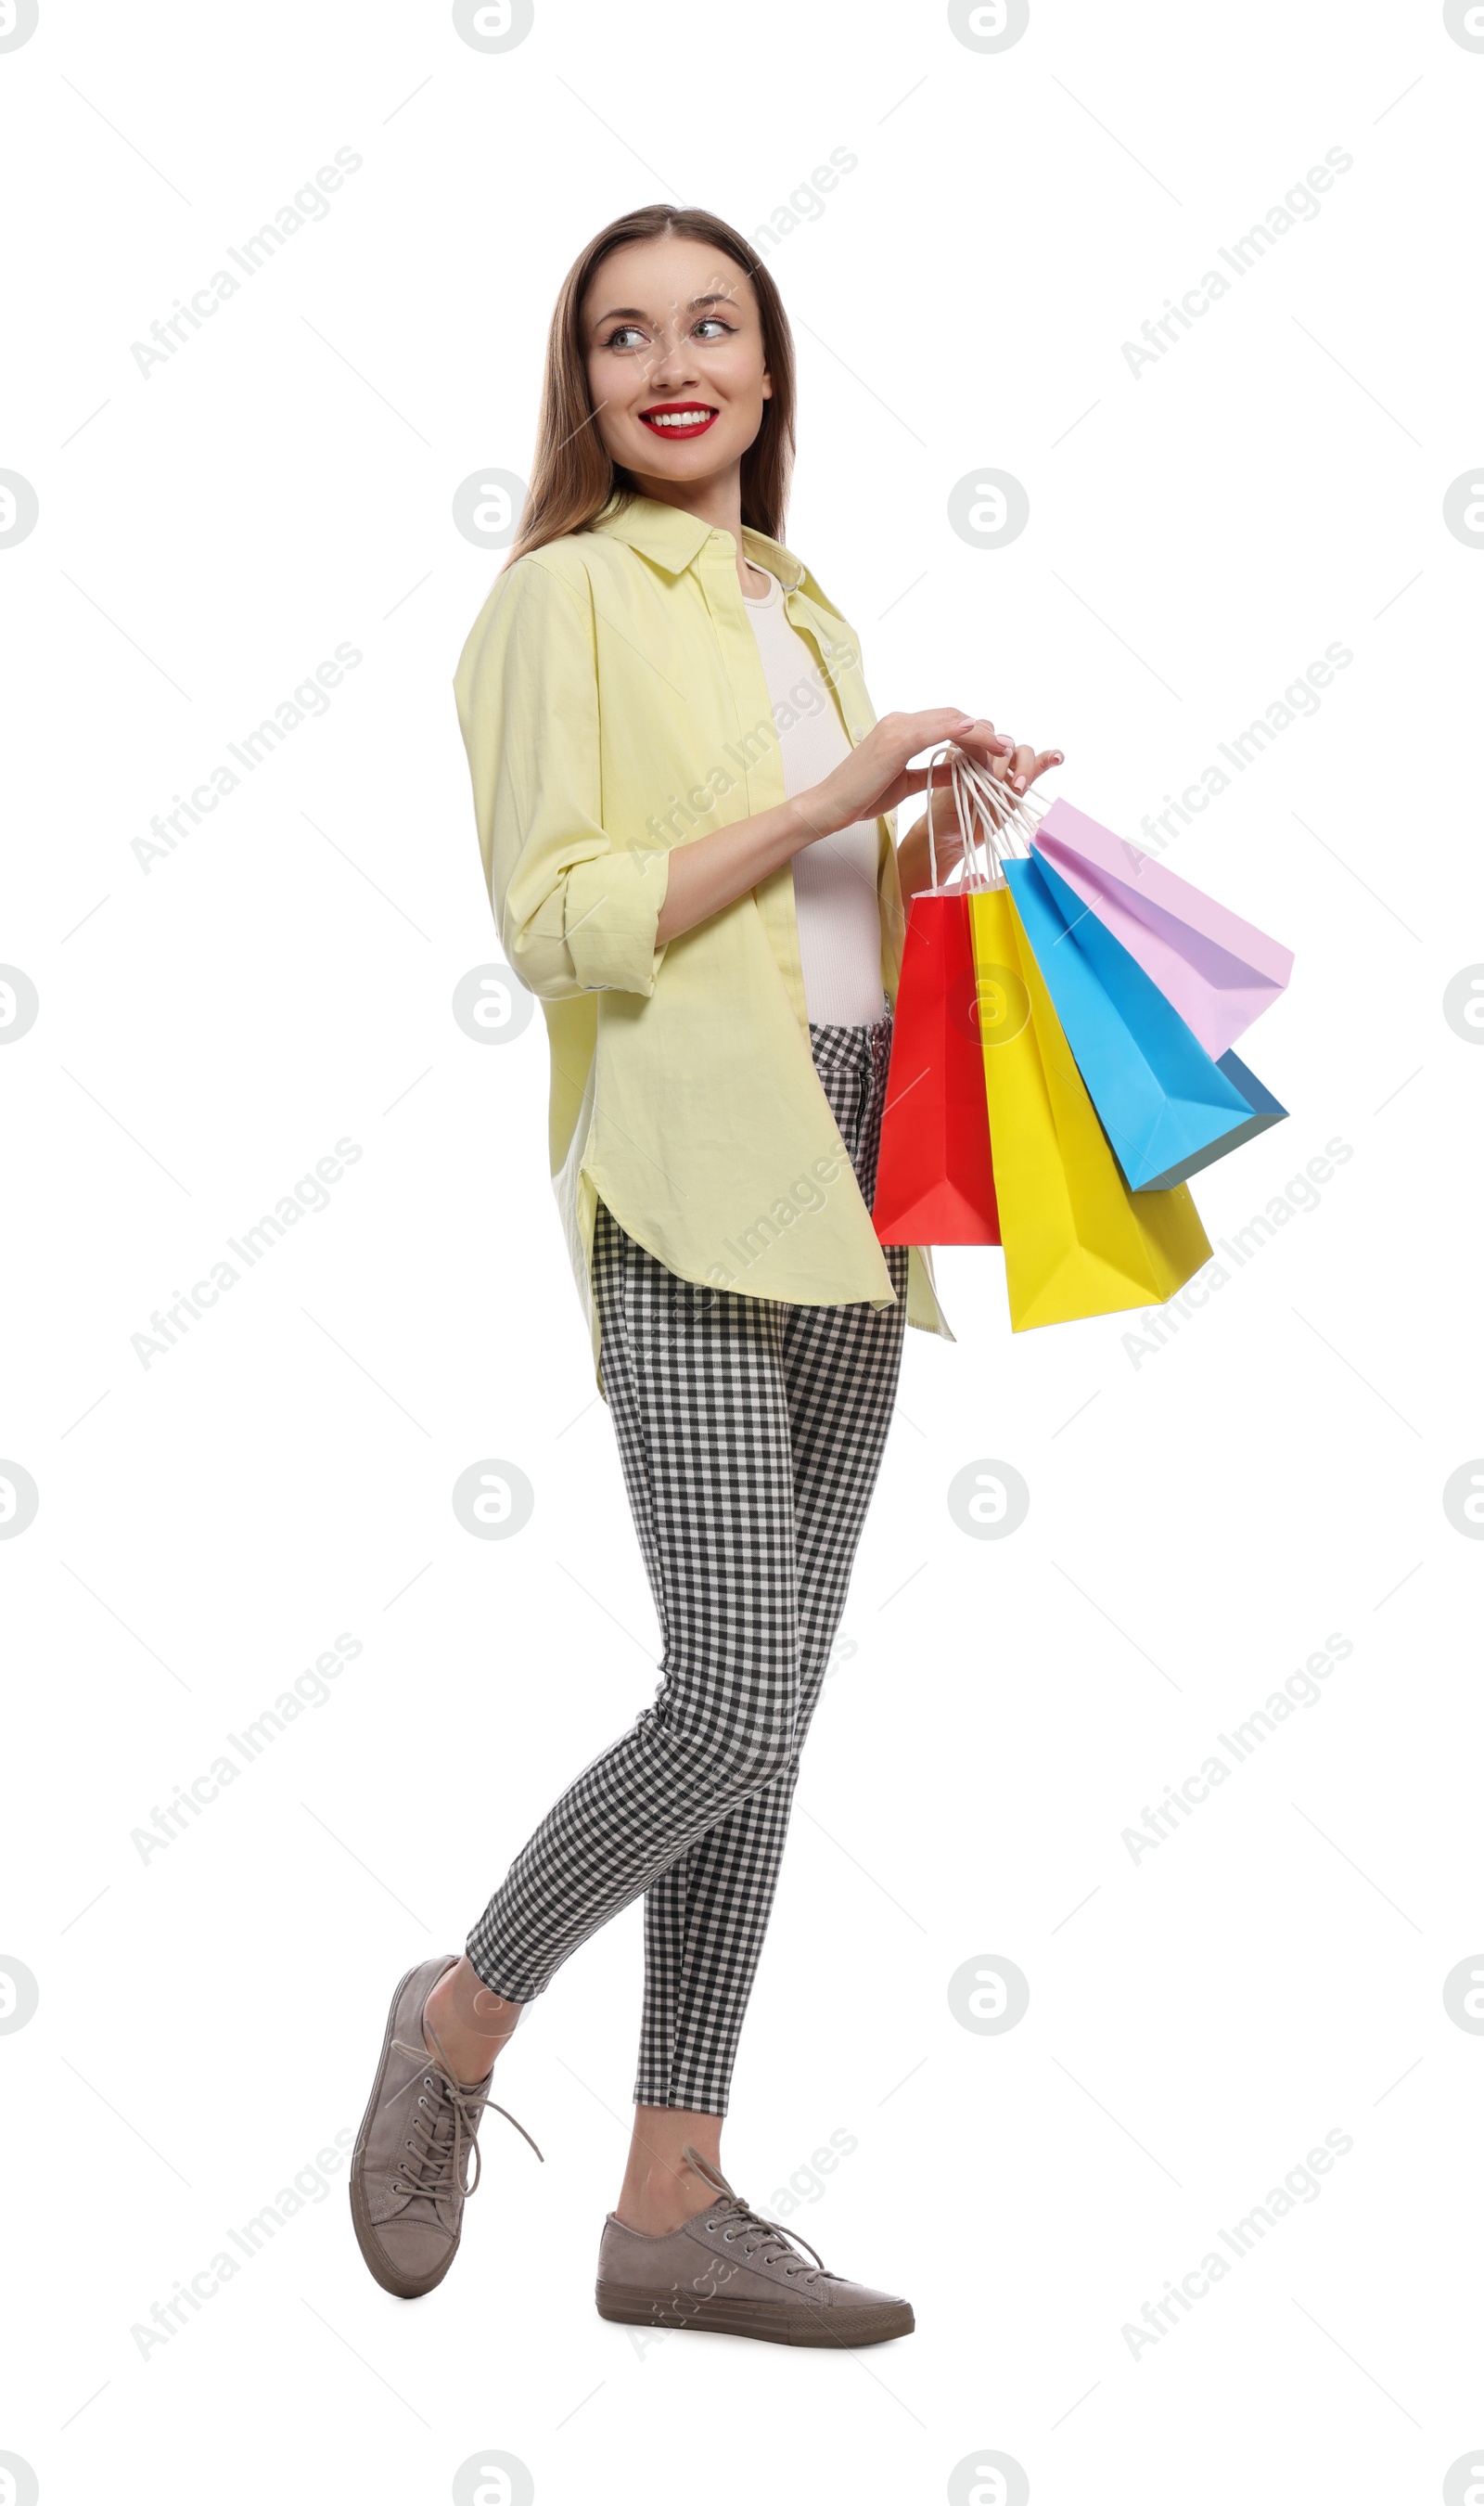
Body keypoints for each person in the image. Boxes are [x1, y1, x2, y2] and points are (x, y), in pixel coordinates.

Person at [349, 201, 1060, 2346]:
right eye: (622, 336)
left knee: (771, 1721)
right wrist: (830, 788)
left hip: (858, 1168)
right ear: (579, 388)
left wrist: (915, 841)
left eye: (712, 326)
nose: (671, 362)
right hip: (683, 1180)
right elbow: (560, 917)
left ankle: (674, 2199)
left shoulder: (794, 599)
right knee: (727, 1695)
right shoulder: (557, 601)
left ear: (767, 368)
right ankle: (457, 2023)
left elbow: (800, 911)